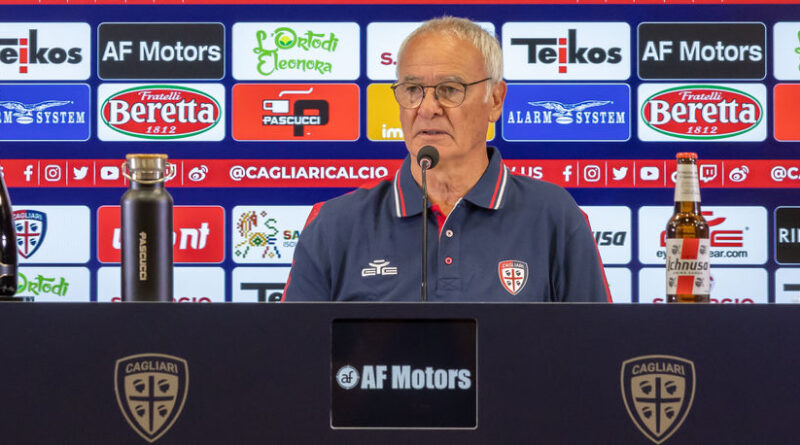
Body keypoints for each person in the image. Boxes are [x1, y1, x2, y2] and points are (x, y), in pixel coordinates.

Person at [282, 16, 610, 302]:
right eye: (412, 89)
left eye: (450, 90)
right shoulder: (334, 224)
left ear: (495, 100)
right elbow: (294, 360)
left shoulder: (555, 217)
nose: (427, 109)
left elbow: (595, 354)